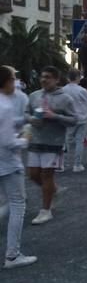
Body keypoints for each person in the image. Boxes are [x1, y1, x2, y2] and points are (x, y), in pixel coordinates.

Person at [25, 66, 76, 225]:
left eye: (48, 77)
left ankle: (45, 210)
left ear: (56, 79)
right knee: (33, 174)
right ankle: (53, 190)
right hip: (35, 140)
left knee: (47, 175)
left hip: (53, 142)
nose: (44, 79)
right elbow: (25, 113)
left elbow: (74, 119)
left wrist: (54, 116)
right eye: (42, 76)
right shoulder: (33, 96)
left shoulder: (65, 98)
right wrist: (32, 119)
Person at [0, 66, 36, 268]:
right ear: (6, 82)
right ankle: (12, 254)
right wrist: (25, 139)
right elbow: (7, 141)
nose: (16, 82)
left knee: (4, 202)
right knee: (17, 205)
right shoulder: (4, 105)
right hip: (8, 162)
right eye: (13, 78)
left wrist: (24, 121)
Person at [62, 69, 87, 172]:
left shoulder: (63, 90)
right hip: (82, 118)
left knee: (67, 141)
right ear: (78, 77)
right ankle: (77, 164)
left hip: (69, 118)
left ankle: (63, 163)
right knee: (80, 142)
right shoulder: (82, 90)